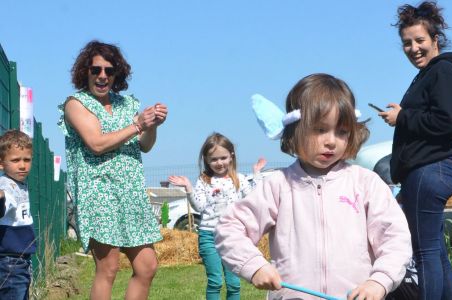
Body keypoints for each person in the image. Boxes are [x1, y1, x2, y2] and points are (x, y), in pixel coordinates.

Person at [215, 73, 413, 300]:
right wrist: (254, 265)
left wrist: (379, 281)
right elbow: (230, 229)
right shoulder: (278, 185)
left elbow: (395, 237)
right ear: (295, 130)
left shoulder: (365, 183)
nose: (331, 141)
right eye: (320, 130)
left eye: (342, 132)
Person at [58, 40, 168, 299]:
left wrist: (152, 126)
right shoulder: (76, 104)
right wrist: (138, 125)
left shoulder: (126, 104)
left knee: (147, 266)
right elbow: (96, 144)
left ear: (118, 73)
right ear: (85, 71)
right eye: (96, 70)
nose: (102, 76)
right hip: (99, 193)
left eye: (109, 70)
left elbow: (145, 146)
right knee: (108, 268)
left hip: (130, 194)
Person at [377, 2, 452, 299]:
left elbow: (449, 122)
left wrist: (403, 117)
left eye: (419, 41)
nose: (413, 48)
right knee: (436, 251)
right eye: (406, 43)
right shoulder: (430, 74)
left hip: (431, 169)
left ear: (435, 39)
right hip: (426, 172)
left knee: (425, 252)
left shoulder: (444, 72)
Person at [168, 132, 266, 300]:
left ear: (231, 156)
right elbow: (198, 206)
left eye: (223, 158)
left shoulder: (239, 179)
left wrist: (256, 173)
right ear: (206, 160)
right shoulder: (204, 181)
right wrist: (189, 187)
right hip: (209, 236)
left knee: (234, 284)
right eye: (213, 159)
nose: (219, 163)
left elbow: (253, 198)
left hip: (233, 237)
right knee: (215, 281)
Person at [0, 130, 34, 300]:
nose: (22, 165)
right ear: (1, 163)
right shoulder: (7, 185)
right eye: (15, 160)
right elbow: (5, 203)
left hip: (20, 260)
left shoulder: (19, 183)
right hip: (10, 262)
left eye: (27, 160)